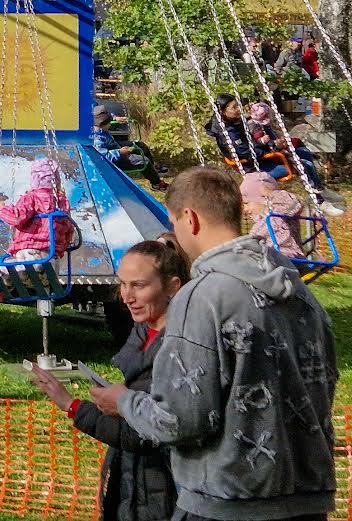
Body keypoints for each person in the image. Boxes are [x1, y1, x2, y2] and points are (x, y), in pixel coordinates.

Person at [89, 167, 337, 521]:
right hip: (305, 500)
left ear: (189, 219)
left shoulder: (202, 296)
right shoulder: (298, 289)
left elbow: (180, 420)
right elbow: (326, 379)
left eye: (174, 222)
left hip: (226, 501)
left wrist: (125, 402)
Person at [28, 237, 186, 521]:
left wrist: (72, 405)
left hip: (165, 487)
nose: (126, 297)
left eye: (138, 285)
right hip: (131, 481)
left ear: (172, 287)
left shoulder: (180, 348)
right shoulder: (141, 331)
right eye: (122, 284)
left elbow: (141, 434)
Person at [0, 157, 76, 348]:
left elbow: (16, 217)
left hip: (28, 261)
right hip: (51, 268)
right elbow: (69, 232)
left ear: (35, 179)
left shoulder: (32, 197)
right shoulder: (62, 203)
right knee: (4, 281)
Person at [93, 107, 167, 190]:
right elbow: (102, 156)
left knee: (141, 145)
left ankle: (152, 169)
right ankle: (156, 184)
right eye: (109, 123)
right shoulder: (97, 139)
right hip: (114, 159)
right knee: (144, 161)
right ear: (101, 124)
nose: (110, 125)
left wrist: (115, 117)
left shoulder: (99, 127)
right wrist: (120, 152)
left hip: (115, 146)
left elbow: (99, 113)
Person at [240, 170, 307, 259]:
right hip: (269, 256)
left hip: (288, 253)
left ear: (263, 199)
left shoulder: (280, 210)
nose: (245, 209)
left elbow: (294, 203)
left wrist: (270, 193)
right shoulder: (259, 223)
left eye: (247, 203)